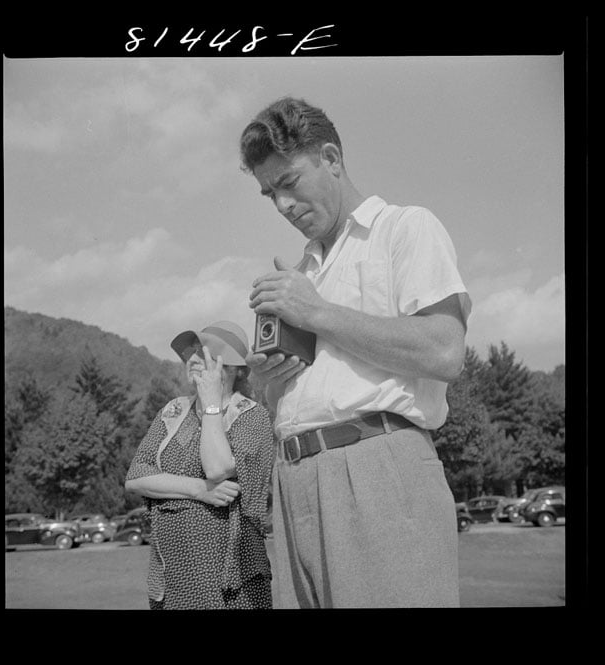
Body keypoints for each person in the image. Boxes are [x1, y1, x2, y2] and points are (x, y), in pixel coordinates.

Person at [240, 97, 472, 608]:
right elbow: (308, 395)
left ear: (332, 159)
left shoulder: (405, 228)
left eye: (289, 183)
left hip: (379, 471)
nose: (281, 205)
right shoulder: (304, 270)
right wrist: (271, 380)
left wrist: (317, 313)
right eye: (268, 193)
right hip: (293, 481)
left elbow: (445, 350)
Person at [124, 321, 274, 610]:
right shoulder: (173, 410)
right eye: (190, 352)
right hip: (172, 576)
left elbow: (218, 467)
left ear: (232, 367)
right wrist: (199, 489)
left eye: (202, 353)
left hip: (230, 581)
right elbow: (136, 476)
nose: (191, 359)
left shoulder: (251, 416)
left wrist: (211, 404)